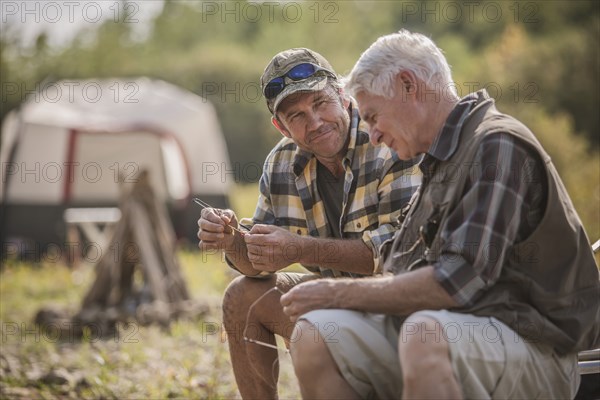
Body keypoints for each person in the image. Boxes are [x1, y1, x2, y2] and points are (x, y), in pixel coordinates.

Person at [280, 30, 600, 399]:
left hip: (537, 349)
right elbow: (397, 268)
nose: (373, 134)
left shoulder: (496, 145)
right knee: (315, 334)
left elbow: (455, 282)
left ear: (407, 86)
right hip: (454, 330)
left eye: (372, 116)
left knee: (424, 335)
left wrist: (335, 293)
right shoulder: (438, 160)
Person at [197, 48, 421, 399]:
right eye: (296, 115)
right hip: (335, 298)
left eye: (320, 104)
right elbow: (256, 265)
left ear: (343, 96)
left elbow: (396, 252)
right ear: (280, 126)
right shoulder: (281, 163)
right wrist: (231, 242)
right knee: (242, 295)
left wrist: (301, 248)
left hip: (402, 306)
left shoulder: (386, 140)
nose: (314, 122)